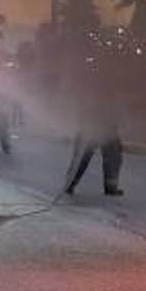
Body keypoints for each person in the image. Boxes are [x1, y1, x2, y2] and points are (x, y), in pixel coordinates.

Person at [62, 63, 124, 196]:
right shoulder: (93, 86)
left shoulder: (99, 84)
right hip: (93, 126)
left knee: (112, 155)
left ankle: (110, 186)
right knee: (84, 156)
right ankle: (70, 184)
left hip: (104, 126)